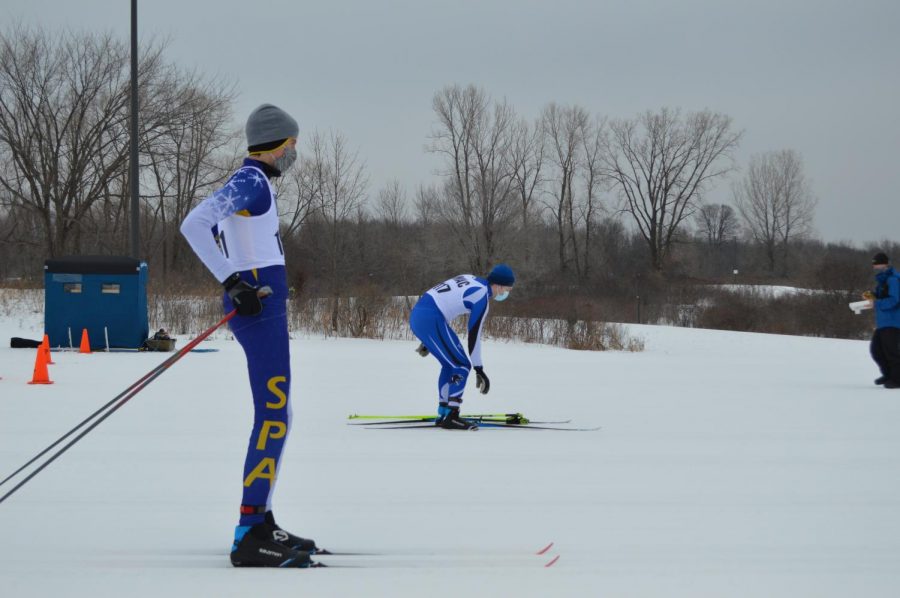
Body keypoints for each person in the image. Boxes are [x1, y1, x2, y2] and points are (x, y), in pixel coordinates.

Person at [180, 104, 316, 568]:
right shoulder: (252, 181)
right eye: (292, 145)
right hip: (257, 308)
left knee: (281, 413)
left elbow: (231, 234)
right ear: (275, 144)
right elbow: (194, 223)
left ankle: (261, 520)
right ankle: (248, 531)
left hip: (264, 305)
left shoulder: (255, 185)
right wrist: (232, 281)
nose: (294, 153)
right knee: (274, 414)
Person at [409, 264, 516, 430]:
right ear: (499, 285)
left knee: (449, 364)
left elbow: (445, 300)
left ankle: (443, 412)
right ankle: (452, 415)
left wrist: (429, 339)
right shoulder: (482, 297)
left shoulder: (469, 278)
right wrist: (478, 368)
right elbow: (474, 335)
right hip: (431, 319)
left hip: (419, 314)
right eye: (506, 290)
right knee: (462, 365)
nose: (505, 294)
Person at [865, 252, 900, 389]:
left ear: (885, 264)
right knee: (876, 350)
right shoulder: (882, 280)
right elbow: (882, 296)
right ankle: (888, 374)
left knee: (891, 352)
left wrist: (876, 303)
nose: (875, 267)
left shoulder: (893, 280)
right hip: (883, 322)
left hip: (893, 322)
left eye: (877, 264)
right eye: (874, 264)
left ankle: (897, 379)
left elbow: (894, 300)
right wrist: (873, 296)